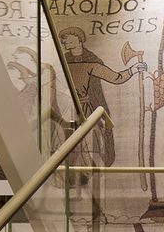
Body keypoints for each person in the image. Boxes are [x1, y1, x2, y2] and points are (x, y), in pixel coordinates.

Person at [58, 25, 145, 164]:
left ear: (79, 39)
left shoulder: (91, 61)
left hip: (89, 109)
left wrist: (132, 70)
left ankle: (97, 166)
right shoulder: (62, 61)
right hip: (69, 110)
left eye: (68, 38)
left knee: (96, 141)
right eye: (63, 39)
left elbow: (115, 77)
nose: (64, 41)